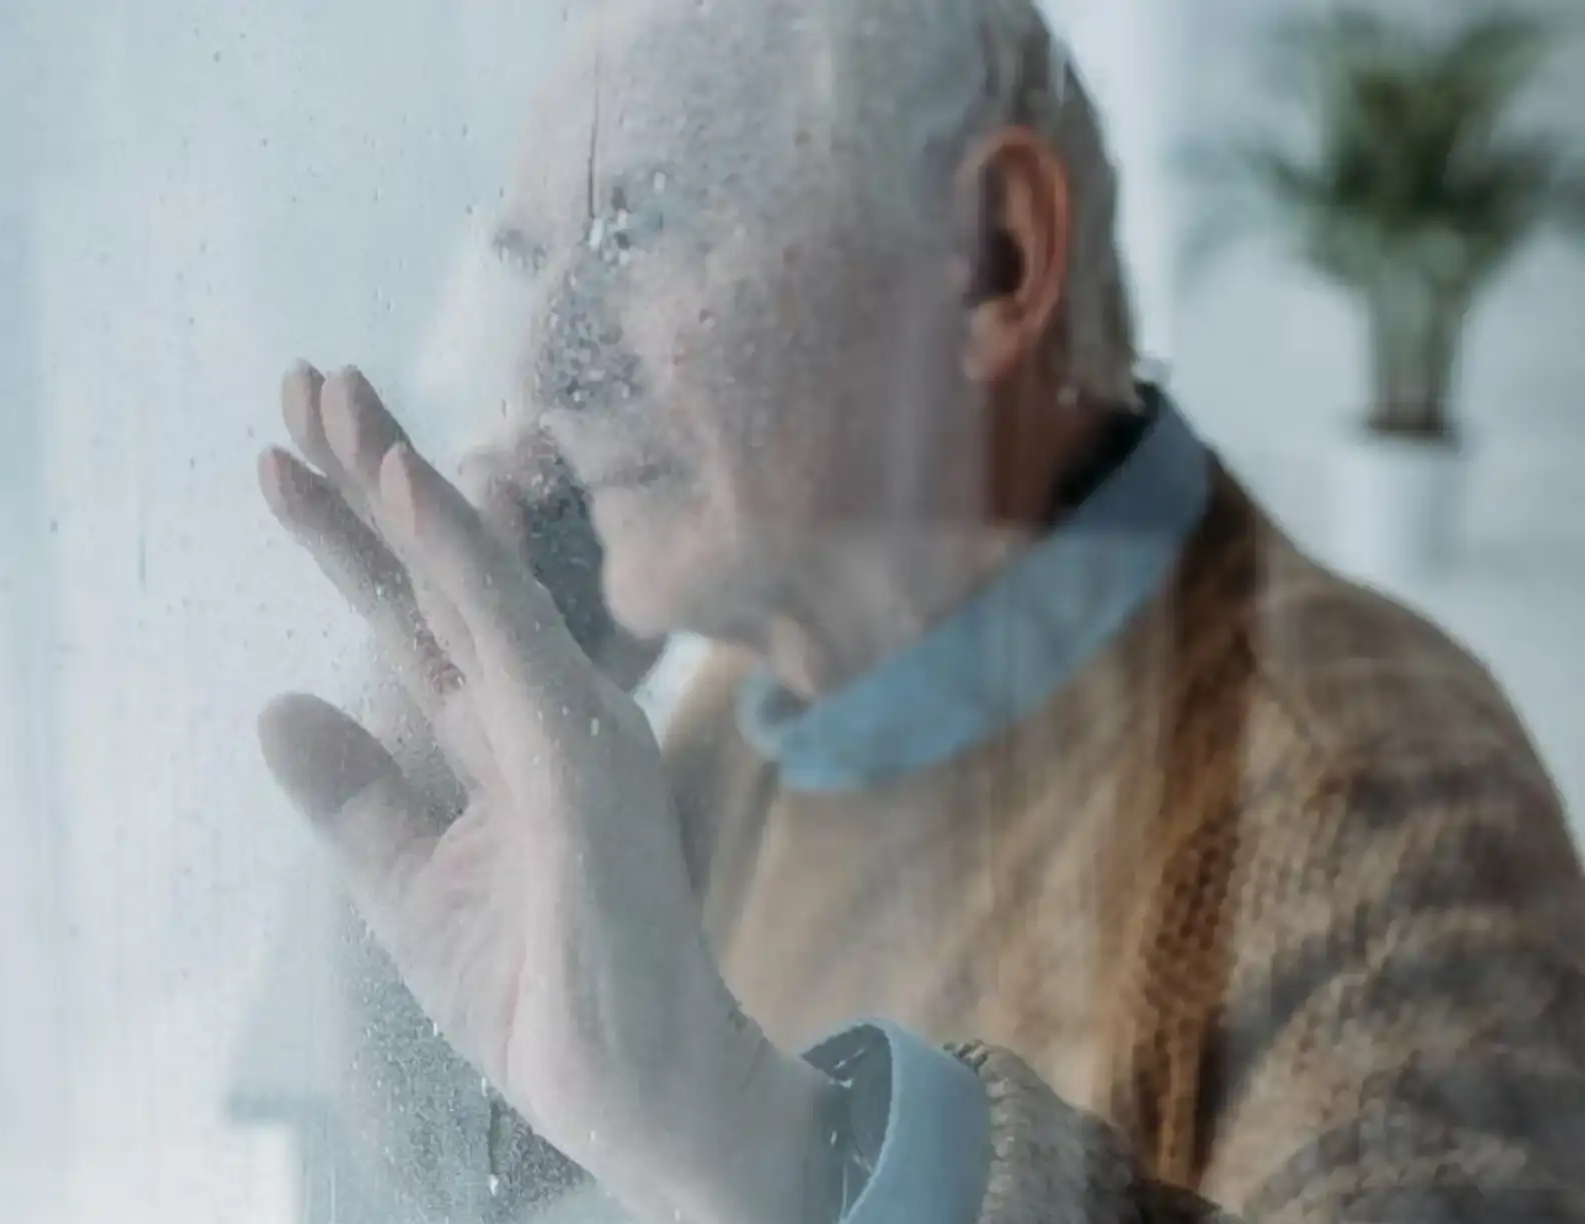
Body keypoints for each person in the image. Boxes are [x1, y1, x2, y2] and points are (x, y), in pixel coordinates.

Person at [252, 1, 1585, 1220]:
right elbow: (572, 1168)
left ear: (995, 260)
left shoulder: (1371, 818)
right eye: (532, 260)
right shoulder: (767, 703)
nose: (545, 367)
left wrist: (782, 1146)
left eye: (637, 227)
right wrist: (456, 810)